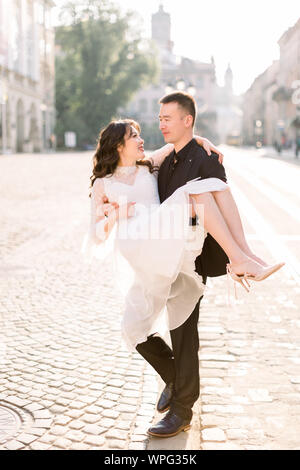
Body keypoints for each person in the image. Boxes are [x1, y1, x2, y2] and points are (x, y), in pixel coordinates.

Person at [84, 93, 284, 438]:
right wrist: (115, 212)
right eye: (135, 135)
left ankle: (242, 256)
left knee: (203, 188)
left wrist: (201, 139)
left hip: (165, 244)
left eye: (143, 132)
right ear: (118, 145)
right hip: (139, 250)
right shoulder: (104, 183)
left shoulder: (150, 166)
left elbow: (182, 145)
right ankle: (176, 379)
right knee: (133, 329)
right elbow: (97, 235)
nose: (144, 136)